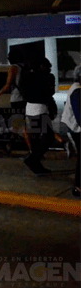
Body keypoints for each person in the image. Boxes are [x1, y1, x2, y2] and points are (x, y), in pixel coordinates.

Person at [21, 56, 55, 175]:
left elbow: (23, 92)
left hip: (30, 108)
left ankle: (36, 164)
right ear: (41, 66)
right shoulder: (44, 77)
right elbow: (49, 93)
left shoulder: (25, 76)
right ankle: (33, 159)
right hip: (40, 109)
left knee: (36, 138)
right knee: (48, 136)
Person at [0, 49, 26, 145]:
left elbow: (7, 85)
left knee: (21, 124)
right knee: (19, 123)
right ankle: (10, 144)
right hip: (26, 98)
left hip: (17, 99)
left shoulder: (13, 68)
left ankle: (32, 150)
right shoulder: (25, 67)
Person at [60, 64, 81, 197]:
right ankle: (78, 188)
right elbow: (80, 115)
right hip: (77, 129)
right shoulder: (77, 91)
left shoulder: (77, 89)